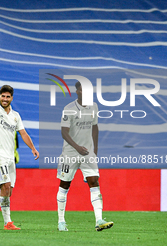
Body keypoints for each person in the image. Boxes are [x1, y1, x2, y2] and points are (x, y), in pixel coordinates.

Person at [0, 77, 39, 230]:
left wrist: (32, 148)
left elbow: (23, 133)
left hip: (10, 158)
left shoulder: (15, 116)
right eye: (2, 96)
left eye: (8, 96)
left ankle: (7, 223)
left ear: (11, 98)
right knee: (5, 187)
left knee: (8, 191)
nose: (5, 99)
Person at [56, 81, 113, 232]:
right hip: (70, 153)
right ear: (77, 91)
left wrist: (95, 150)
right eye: (83, 90)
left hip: (87, 153)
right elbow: (64, 132)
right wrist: (77, 148)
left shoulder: (94, 106)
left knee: (94, 182)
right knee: (65, 184)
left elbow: (95, 127)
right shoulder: (69, 109)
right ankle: (61, 221)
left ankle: (99, 220)